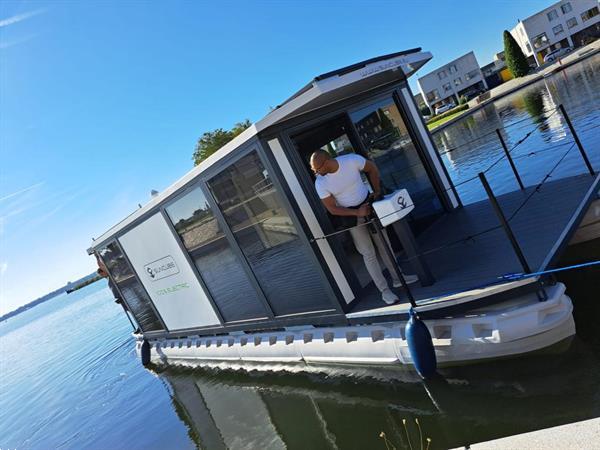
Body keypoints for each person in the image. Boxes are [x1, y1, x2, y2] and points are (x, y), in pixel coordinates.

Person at [310, 150, 418, 305]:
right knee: (368, 253)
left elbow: (372, 168)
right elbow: (332, 209)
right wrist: (357, 212)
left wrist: (377, 191)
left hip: (369, 205)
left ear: (326, 161)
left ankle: (398, 278)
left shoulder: (351, 161)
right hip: (351, 217)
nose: (316, 172)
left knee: (384, 244)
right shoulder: (320, 183)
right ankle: (384, 291)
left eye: (317, 168)